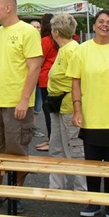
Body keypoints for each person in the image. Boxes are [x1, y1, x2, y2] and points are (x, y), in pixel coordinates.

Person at [0, 0, 42, 213]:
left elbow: (34, 67)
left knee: (16, 151)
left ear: (8, 8)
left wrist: (24, 100)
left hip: (17, 104)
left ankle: (16, 194)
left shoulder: (27, 32)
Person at [70, 9, 109, 217]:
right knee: (91, 163)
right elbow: (76, 82)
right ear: (94, 26)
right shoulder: (82, 50)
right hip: (90, 116)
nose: (105, 25)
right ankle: (92, 202)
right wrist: (77, 109)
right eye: (101, 21)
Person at [45, 13, 85, 192]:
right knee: (56, 146)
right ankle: (56, 185)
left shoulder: (71, 50)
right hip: (58, 104)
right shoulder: (65, 49)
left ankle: (81, 187)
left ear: (56, 32)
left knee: (74, 147)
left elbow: (77, 79)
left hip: (69, 105)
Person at [35, 13, 58, 151]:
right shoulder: (58, 39)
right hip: (56, 79)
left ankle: (51, 141)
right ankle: (52, 139)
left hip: (45, 78)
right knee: (54, 113)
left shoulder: (45, 40)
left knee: (48, 112)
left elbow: (39, 61)